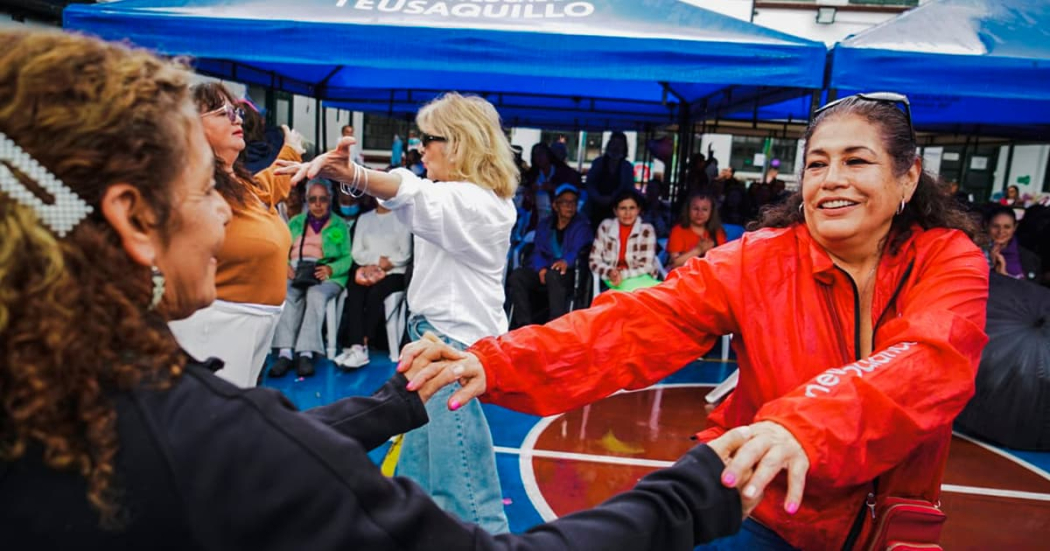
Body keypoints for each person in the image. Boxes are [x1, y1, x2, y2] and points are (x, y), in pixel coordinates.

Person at [0, 29, 763, 550]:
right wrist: (692, 493)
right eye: (209, 189)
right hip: (437, 355)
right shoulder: (197, 435)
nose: (228, 211)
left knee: (457, 489)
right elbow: (258, 451)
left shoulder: (56, 400)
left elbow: (263, 444)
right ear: (133, 219)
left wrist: (397, 398)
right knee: (456, 502)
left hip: (446, 354)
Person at [400, 92, 990, 550]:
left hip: (886, 528)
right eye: (816, 164)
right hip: (762, 506)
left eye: (856, 161)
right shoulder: (760, 260)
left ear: (908, 177)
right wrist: (497, 358)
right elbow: (636, 322)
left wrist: (803, 428)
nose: (832, 179)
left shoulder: (947, 260)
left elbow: (928, 360)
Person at [278, 92, 519, 533]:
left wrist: (352, 172)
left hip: (451, 353)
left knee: (468, 496)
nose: (420, 147)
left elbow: (409, 191)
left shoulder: (478, 204)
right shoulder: (459, 198)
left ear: (459, 143)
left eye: (428, 139)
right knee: (416, 485)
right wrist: (345, 176)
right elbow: (401, 198)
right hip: (434, 346)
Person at [166, 81, 304, 388]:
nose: (236, 118)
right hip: (213, 327)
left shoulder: (239, 183)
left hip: (250, 327)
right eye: (222, 112)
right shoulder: (191, 186)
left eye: (236, 111)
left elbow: (270, 185)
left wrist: (292, 148)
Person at [269, 180, 353, 378]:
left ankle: (305, 352)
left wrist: (331, 269)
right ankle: (285, 352)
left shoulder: (339, 224)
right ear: (307, 201)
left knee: (315, 294)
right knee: (287, 292)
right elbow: (281, 249)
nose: (318, 204)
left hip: (326, 272)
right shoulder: (296, 222)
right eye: (313, 199)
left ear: (330, 200)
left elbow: (348, 257)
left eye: (323, 199)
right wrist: (285, 265)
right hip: (297, 269)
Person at [332, 201, 413, 369]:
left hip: (394, 272)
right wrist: (375, 263)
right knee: (354, 289)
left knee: (376, 293)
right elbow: (356, 252)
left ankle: (363, 342)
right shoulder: (364, 218)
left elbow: (405, 254)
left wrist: (385, 265)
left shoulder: (402, 218)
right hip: (367, 269)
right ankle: (356, 346)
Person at [506, 183, 592, 329]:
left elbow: (578, 249)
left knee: (554, 275)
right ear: (555, 205)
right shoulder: (545, 225)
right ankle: (524, 326)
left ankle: (555, 327)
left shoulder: (582, 225)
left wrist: (566, 261)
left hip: (569, 273)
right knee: (517, 276)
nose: (570, 206)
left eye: (573, 202)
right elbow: (538, 250)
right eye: (565, 202)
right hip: (545, 270)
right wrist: (541, 268)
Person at [590, 189, 659, 292]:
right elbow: (594, 260)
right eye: (623, 208)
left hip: (640, 277)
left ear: (638, 210)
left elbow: (647, 266)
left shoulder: (646, 230)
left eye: (632, 208)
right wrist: (610, 272)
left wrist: (622, 274)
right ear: (615, 211)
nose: (627, 213)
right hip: (613, 277)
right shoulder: (605, 227)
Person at [584, 131, 634, 230]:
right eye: (614, 144)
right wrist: (598, 197)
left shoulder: (627, 167)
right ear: (609, 145)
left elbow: (628, 189)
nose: (616, 148)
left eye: (620, 145)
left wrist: (613, 198)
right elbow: (590, 183)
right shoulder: (598, 162)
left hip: (617, 212)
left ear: (624, 148)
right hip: (595, 210)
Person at [524, 142, 581, 223]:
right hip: (538, 219)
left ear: (548, 155)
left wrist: (555, 188)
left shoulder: (563, 173)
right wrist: (529, 193)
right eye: (535, 155)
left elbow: (575, 190)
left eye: (541, 153)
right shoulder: (532, 175)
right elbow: (526, 205)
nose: (539, 157)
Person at [667, 194, 727, 271]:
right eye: (695, 209)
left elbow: (723, 262)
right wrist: (698, 250)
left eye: (705, 209)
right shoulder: (678, 231)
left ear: (711, 212)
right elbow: (675, 264)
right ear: (688, 210)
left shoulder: (718, 232)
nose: (699, 213)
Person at [983, 205, 1041, 281]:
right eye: (995, 226)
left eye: (1007, 227)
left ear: (1015, 227)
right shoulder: (976, 253)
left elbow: (1034, 290)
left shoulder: (1030, 258)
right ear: (986, 226)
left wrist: (1004, 275)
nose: (1001, 231)